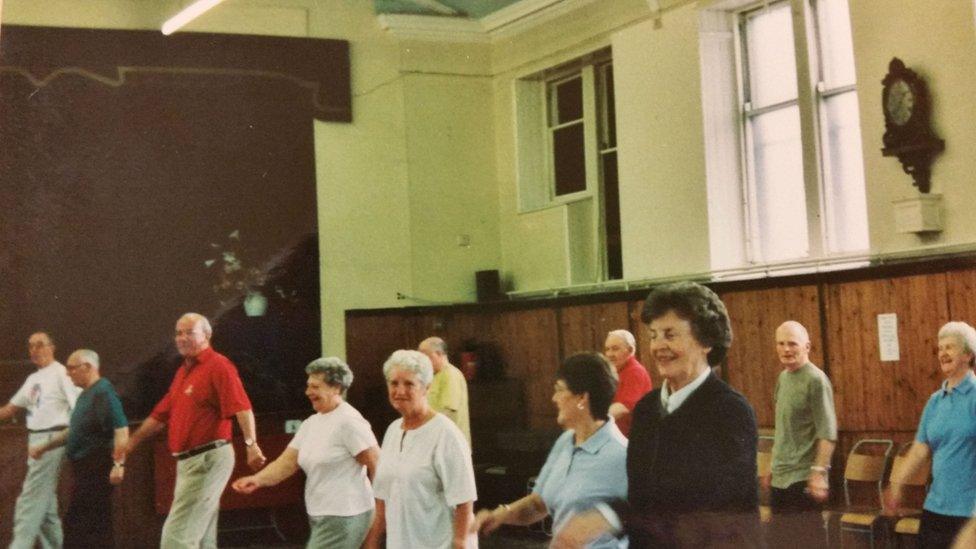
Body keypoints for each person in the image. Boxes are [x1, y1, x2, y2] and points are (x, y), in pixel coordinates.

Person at [554, 281, 760, 548]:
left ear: (706, 341)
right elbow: (640, 494)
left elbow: (705, 505)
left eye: (670, 335)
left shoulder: (730, 411)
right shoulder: (647, 409)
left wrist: (609, 517)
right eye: (653, 335)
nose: (658, 345)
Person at [124, 312, 267, 549]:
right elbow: (161, 414)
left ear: (207, 335)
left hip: (207, 460)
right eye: (179, 333)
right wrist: (130, 444)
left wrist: (252, 445)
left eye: (189, 332)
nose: (181, 338)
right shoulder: (184, 372)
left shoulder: (219, 366)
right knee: (202, 539)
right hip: (190, 462)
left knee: (176, 538)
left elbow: (242, 408)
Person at [472, 353, 628, 548]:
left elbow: (643, 519)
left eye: (560, 390)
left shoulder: (621, 455)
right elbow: (538, 504)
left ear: (582, 397)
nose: (554, 398)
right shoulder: (565, 441)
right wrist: (501, 514)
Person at [232, 357, 379, 549]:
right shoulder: (312, 424)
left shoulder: (349, 422)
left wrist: (380, 519)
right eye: (308, 386)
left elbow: (378, 464)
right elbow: (286, 463)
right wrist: (257, 480)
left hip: (346, 515)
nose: (308, 392)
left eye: (315, 387)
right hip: (320, 515)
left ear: (336, 388)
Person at [365, 349, 477, 549]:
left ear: (426, 387)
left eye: (409, 384)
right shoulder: (392, 431)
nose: (400, 391)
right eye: (394, 383)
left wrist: (460, 543)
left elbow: (464, 502)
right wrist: (371, 543)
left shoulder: (445, 434)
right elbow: (382, 499)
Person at [886, 321, 976, 549]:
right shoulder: (935, 401)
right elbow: (919, 451)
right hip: (935, 509)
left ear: (967, 354)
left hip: (969, 514)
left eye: (950, 347)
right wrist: (896, 484)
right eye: (940, 347)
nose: (943, 353)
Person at [29, 349, 129, 549]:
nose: (68, 373)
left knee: (83, 525)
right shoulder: (86, 395)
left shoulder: (103, 392)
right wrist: (45, 446)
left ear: (88, 367)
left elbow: (121, 429)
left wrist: (119, 463)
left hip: (96, 468)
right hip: (83, 470)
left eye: (72, 368)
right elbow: (73, 431)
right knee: (91, 524)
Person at [0, 331, 80, 549]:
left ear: (52, 347)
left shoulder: (62, 373)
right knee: (46, 510)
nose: (35, 350)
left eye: (40, 345)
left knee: (29, 500)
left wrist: (68, 436)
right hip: (34, 440)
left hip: (52, 439)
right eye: (31, 346)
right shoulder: (33, 379)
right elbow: (10, 408)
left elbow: (78, 406)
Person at [764, 321, 836, 549]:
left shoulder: (816, 380)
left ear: (807, 347)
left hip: (802, 479)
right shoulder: (783, 378)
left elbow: (828, 432)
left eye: (792, 344)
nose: (786, 349)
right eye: (781, 344)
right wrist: (771, 467)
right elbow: (782, 429)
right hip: (781, 477)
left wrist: (818, 473)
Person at [418, 337, 471, 447]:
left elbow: (447, 412)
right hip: (434, 442)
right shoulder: (431, 376)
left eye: (425, 356)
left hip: (450, 444)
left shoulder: (450, 375)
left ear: (438, 354)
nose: (422, 361)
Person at [604, 329, 653, 437]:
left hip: (632, 438)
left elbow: (623, 408)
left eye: (615, 349)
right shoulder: (616, 371)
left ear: (630, 350)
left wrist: (594, 422)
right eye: (607, 349)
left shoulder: (635, 371)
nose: (610, 354)